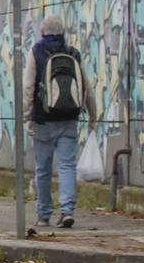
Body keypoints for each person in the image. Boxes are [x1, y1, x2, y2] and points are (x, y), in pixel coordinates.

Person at [23, 13, 97, 228]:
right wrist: (93, 115)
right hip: (69, 118)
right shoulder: (72, 53)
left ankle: (44, 214)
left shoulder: (36, 52)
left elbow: (29, 88)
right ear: (63, 33)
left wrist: (27, 116)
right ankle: (66, 210)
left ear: (42, 32)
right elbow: (87, 88)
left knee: (43, 168)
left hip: (43, 120)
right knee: (67, 166)